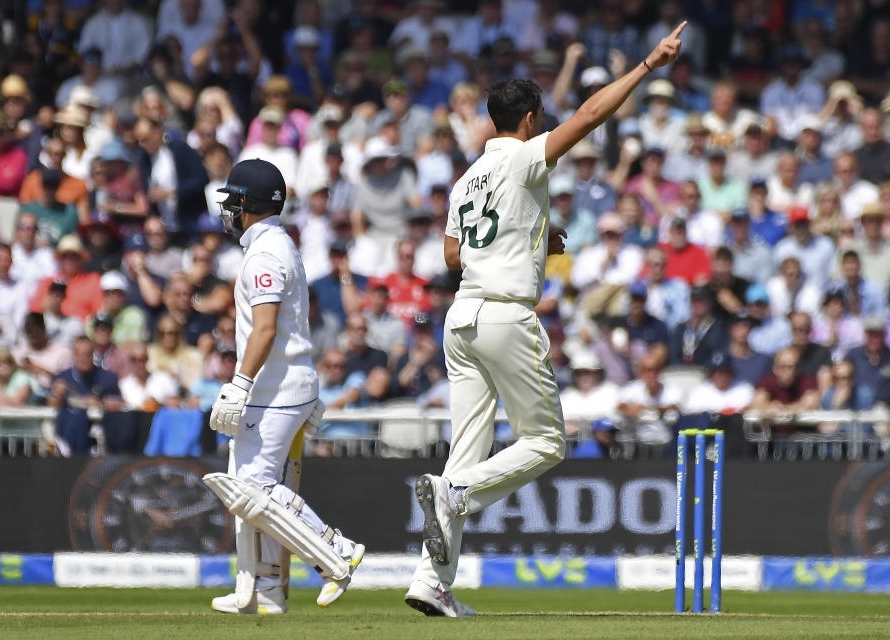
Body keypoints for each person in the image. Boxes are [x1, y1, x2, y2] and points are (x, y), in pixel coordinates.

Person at [404, 25, 687, 617]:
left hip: (462, 319)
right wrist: (646, 66)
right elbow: (587, 117)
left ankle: (431, 580)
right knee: (546, 442)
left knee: (467, 450)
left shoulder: (464, 180)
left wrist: (534, 238)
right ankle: (455, 493)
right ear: (530, 118)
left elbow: (453, 256)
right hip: (506, 316)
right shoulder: (525, 158)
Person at [203, 159, 364, 616]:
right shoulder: (277, 244)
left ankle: (338, 551)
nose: (229, 211)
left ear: (250, 205)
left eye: (234, 202)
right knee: (251, 487)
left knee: (252, 489)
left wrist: (239, 385)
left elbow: (267, 329)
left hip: (274, 391)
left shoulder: (266, 254)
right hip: (284, 386)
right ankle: (264, 589)